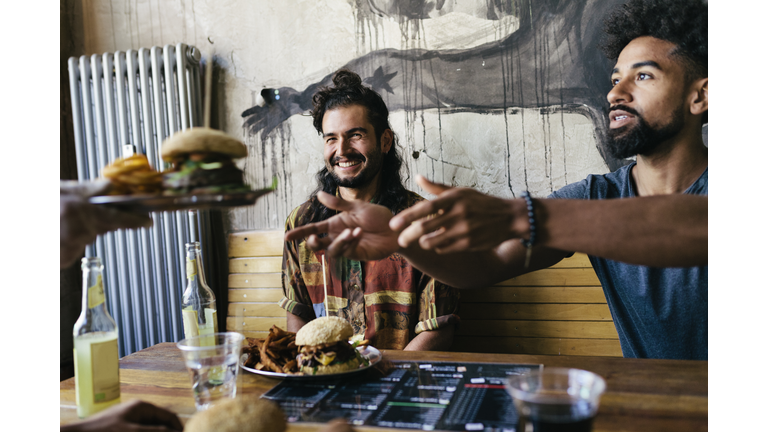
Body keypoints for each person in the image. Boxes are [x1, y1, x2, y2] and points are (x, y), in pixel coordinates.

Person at [285, 0, 707, 360]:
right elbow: (478, 267)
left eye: (644, 76)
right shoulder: (597, 195)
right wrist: (402, 243)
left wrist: (520, 215)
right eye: (615, 79)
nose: (615, 93)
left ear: (701, 96)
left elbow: (699, 225)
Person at [280, 69, 460, 351]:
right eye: (331, 138)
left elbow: (438, 329)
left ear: (385, 141)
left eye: (356, 135)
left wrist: (383, 378)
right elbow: (298, 312)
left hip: (400, 380)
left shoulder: (425, 221)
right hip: (327, 380)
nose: (342, 150)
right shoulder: (302, 221)